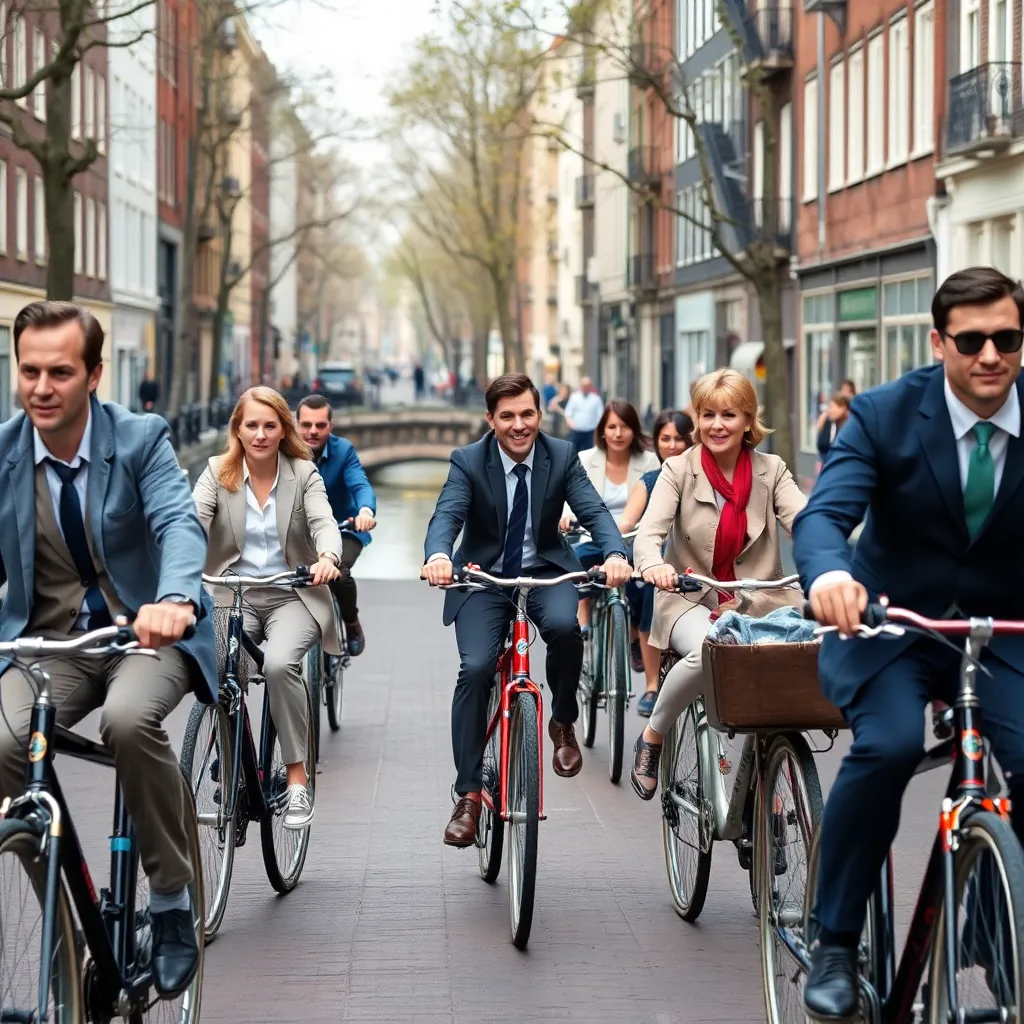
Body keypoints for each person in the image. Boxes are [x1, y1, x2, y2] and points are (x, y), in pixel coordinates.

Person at [794, 266, 1024, 1021]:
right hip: (889, 623)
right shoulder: (886, 414)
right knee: (888, 747)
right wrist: (831, 576)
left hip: (1001, 630)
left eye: (1008, 339)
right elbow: (825, 516)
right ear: (940, 342)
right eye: (972, 340)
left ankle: (994, 927)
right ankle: (834, 936)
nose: (990, 355)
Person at [0, 300, 216, 997]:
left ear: (94, 374)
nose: (40, 387)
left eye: (59, 372)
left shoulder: (142, 438)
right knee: (3, 741)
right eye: (28, 370)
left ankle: (173, 900)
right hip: (52, 643)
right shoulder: (4, 452)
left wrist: (176, 598)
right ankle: (61, 905)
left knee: (128, 721)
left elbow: (179, 523)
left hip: (146, 634)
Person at [421, 373, 631, 847]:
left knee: (564, 627)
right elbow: (447, 515)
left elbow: (594, 512)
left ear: (540, 414)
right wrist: (438, 555)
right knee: (475, 668)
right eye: (508, 416)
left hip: (545, 571)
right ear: (491, 420)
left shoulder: (561, 456)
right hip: (483, 578)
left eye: (528, 414)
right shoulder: (469, 461)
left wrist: (616, 554)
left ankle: (561, 721)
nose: (520, 425)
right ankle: (469, 794)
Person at [630, 369, 806, 800]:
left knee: (800, 652)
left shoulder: (772, 470)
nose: (717, 425)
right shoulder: (678, 469)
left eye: (729, 414)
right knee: (712, 646)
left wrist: (829, 555)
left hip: (760, 599)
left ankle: (770, 785)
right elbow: (649, 535)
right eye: (707, 414)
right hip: (691, 597)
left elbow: (805, 520)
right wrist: (653, 565)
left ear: (748, 420)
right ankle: (653, 735)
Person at [192, 386, 342, 831]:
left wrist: (328, 559)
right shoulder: (217, 472)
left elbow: (323, 522)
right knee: (216, 672)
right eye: (251, 425)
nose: (259, 434)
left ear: (283, 430)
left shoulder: (303, 473)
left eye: (269, 425)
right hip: (228, 592)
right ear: (237, 429)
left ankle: (296, 778)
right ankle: (236, 769)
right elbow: (191, 523)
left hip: (290, 594)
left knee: (278, 666)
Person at [557, 399, 659, 667]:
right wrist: (566, 517)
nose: (617, 433)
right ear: (602, 431)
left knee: (646, 579)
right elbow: (570, 499)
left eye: (624, 427)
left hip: (633, 539)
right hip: (592, 536)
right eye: (611, 427)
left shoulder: (649, 461)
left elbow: (657, 504)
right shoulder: (584, 459)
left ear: (634, 430)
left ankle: (636, 630)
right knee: (575, 560)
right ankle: (583, 610)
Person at [617, 409, 694, 715]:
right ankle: (651, 685)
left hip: (690, 564)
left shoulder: (699, 478)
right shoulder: (650, 480)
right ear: (656, 441)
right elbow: (629, 522)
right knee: (648, 591)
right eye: (666, 438)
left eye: (679, 438)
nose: (673, 445)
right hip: (654, 565)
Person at [296, 393, 377, 655]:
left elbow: (359, 483)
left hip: (346, 528)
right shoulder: (285, 452)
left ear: (330, 426)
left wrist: (365, 511)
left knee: (338, 573)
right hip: (302, 531)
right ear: (296, 425)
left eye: (320, 425)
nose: (313, 431)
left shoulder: (343, 451)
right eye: (306, 425)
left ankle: (351, 622)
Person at [564, 376, 604, 452]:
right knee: (572, 451)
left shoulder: (596, 399)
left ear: (590, 387)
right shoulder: (574, 397)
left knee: (589, 452)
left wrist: (597, 427)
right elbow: (568, 412)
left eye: (587, 386)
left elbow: (600, 415)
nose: (585, 388)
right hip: (576, 431)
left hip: (590, 432)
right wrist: (570, 422)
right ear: (580, 386)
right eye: (583, 386)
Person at [815, 391, 851, 462]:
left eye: (832, 407)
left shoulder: (851, 427)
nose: (829, 411)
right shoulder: (832, 423)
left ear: (843, 408)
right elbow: (822, 445)